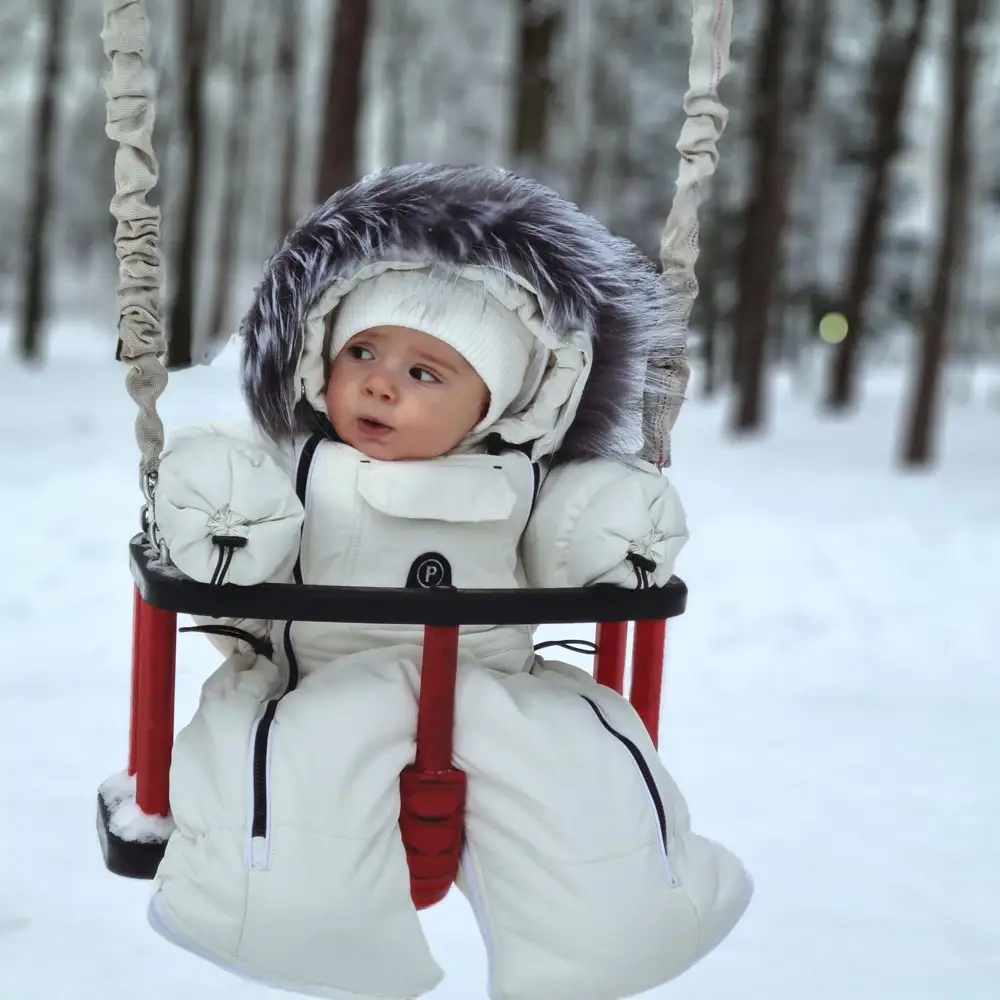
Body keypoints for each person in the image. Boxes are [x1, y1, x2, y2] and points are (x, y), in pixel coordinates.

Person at [148, 164, 752, 1000]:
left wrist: (620, 525)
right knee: (290, 785)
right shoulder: (296, 462)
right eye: (361, 350)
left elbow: (579, 525)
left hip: (491, 688)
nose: (379, 381)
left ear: (493, 407)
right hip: (324, 683)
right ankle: (272, 922)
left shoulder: (523, 481)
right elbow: (223, 480)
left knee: (580, 770)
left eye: (426, 373)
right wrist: (223, 511)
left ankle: (623, 931)